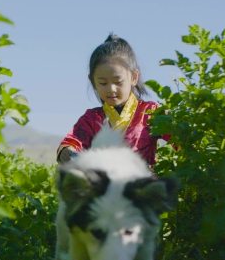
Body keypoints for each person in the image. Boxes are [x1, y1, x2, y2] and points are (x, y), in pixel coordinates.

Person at [56, 34, 167, 166]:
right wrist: (70, 154)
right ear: (92, 81)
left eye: (117, 81)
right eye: (103, 83)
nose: (111, 89)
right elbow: (71, 143)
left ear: (134, 77)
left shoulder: (151, 112)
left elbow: (182, 138)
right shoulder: (91, 119)